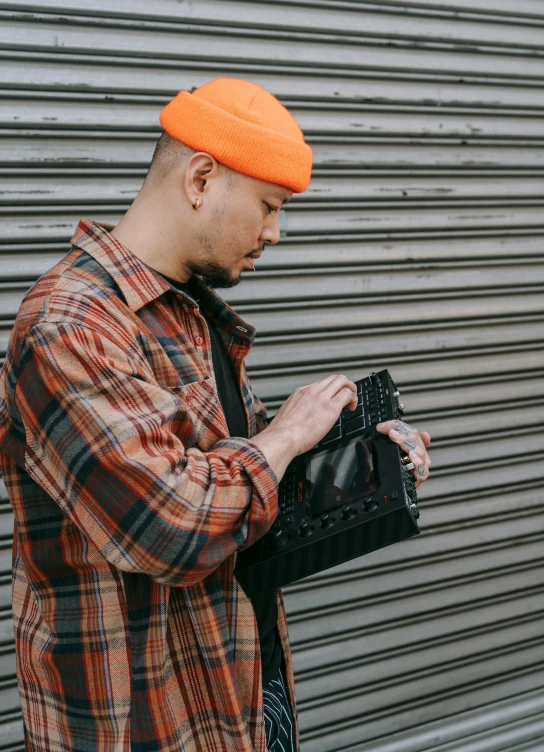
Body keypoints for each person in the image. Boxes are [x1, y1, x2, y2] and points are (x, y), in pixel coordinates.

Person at [0, 78, 431, 751]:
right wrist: (284, 434)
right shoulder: (71, 326)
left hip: (246, 693)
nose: (274, 233)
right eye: (268, 206)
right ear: (202, 177)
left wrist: (361, 458)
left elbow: (245, 495)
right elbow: (171, 524)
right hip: (145, 722)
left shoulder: (190, 311)